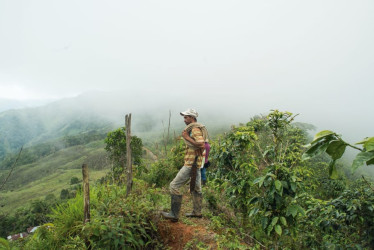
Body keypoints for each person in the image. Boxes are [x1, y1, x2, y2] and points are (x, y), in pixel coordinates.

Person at [161, 108, 209, 222]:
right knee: (197, 189)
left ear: (192, 118)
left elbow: (201, 144)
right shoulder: (196, 128)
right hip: (196, 164)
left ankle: (174, 213)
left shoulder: (195, 129)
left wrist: (187, 137)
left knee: (174, 186)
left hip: (190, 164)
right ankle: (197, 212)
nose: (184, 119)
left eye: (186, 117)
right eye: (184, 117)